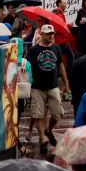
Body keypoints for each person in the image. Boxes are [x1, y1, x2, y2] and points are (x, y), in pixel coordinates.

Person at [26, 24, 70, 155]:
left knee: (58, 113)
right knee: (38, 114)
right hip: (37, 88)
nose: (51, 36)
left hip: (53, 86)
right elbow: (28, 68)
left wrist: (66, 84)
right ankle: (42, 139)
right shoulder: (34, 50)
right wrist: (28, 85)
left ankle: (48, 131)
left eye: (52, 34)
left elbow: (61, 67)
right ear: (42, 35)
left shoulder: (56, 48)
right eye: (48, 34)